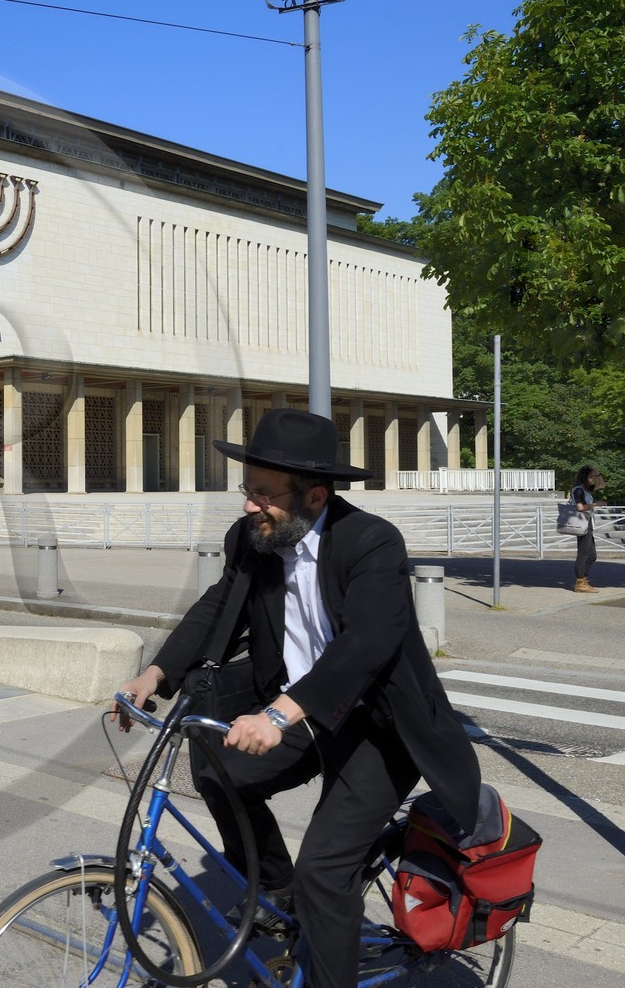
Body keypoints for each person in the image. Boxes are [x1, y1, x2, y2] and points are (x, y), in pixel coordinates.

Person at [116, 409, 480, 988]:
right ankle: (275, 891)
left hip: (378, 726)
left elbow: (367, 643)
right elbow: (216, 607)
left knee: (325, 874)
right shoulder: (254, 538)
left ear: (314, 495)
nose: (248, 505)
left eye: (264, 494)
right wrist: (156, 673)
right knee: (219, 774)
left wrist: (278, 714)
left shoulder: (370, 542)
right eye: (247, 489)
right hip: (302, 711)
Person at [570, 465, 606, 593]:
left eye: (593, 477)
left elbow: (602, 485)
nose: (592, 480)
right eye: (590, 477)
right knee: (584, 553)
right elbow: (580, 507)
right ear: (585, 477)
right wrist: (596, 504)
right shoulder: (579, 490)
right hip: (582, 523)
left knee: (592, 555)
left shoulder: (586, 489)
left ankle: (583, 580)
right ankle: (580, 582)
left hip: (587, 523)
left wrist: (599, 475)